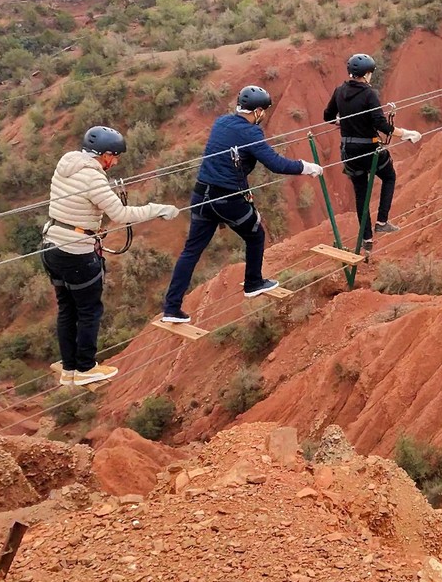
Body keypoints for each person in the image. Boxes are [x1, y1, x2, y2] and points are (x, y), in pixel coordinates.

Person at [161, 85, 323, 324]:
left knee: (191, 252)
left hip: (202, 195)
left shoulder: (221, 122)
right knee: (255, 234)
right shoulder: (251, 133)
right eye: (263, 111)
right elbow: (275, 164)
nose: (264, 115)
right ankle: (253, 283)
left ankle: (171, 308)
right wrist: (306, 167)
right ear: (257, 111)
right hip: (227, 199)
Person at [42, 126, 181, 387]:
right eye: (114, 156)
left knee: (67, 308)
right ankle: (85, 368)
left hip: (51, 245)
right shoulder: (93, 178)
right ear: (104, 154)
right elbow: (121, 215)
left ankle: (69, 368)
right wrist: (157, 209)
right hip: (77, 253)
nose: (115, 162)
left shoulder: (66, 165)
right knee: (88, 311)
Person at [322, 54, 421, 252]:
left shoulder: (339, 91)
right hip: (369, 148)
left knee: (361, 193)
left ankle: (367, 239)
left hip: (348, 151)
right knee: (389, 176)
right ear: (367, 74)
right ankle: (382, 221)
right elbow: (380, 124)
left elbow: (327, 117)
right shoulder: (369, 94)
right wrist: (405, 134)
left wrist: (345, 122)